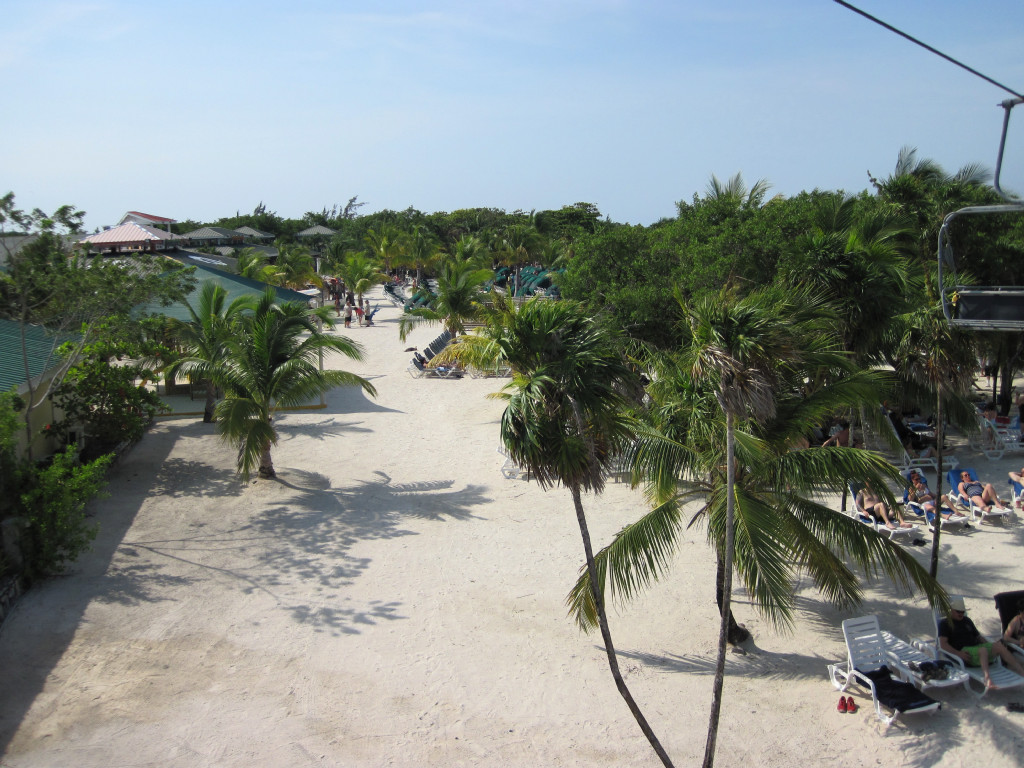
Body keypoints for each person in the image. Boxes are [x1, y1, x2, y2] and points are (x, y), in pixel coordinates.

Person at [939, 595, 1024, 689]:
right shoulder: (945, 624)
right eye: (958, 611)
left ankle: (1021, 671)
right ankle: (987, 678)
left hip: (977, 649)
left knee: (998, 646)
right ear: (951, 610)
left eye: (963, 612)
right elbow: (943, 644)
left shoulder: (967, 620)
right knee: (983, 650)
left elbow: (978, 637)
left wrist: (990, 646)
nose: (961, 614)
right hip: (965, 652)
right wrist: (958, 654)